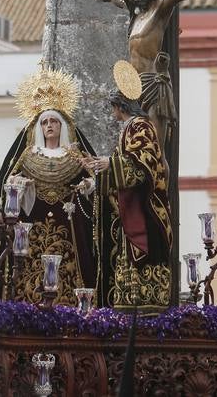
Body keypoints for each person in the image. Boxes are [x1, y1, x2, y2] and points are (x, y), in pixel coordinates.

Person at [0, 68, 96, 305]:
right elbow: (5, 189)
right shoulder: (27, 156)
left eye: (54, 121)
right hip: (30, 230)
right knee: (27, 273)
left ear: (63, 125)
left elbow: (95, 189)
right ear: (39, 127)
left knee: (71, 268)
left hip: (70, 228)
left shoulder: (76, 157)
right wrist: (17, 186)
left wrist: (88, 186)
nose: (49, 126)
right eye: (45, 122)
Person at [98, 0, 217, 166]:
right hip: (132, 88)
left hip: (153, 84)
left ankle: (161, 196)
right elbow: (119, 0)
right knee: (135, 146)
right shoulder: (135, 15)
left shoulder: (159, 8)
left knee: (156, 148)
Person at [84, 90, 172, 313]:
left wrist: (109, 163)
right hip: (133, 209)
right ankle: (131, 306)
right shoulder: (129, 129)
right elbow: (119, 172)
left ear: (121, 107)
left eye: (113, 107)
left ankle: (144, 305)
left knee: (143, 259)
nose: (113, 112)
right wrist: (94, 181)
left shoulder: (141, 126)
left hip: (147, 210)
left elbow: (144, 165)